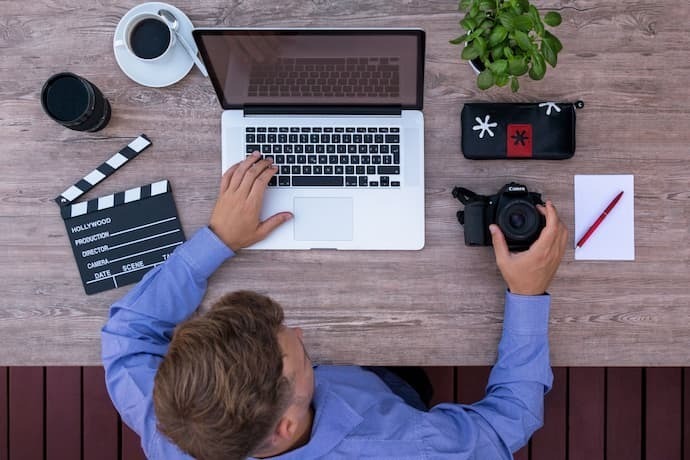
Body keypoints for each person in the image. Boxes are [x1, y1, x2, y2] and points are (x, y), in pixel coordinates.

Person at [102, 152, 568, 459]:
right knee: (406, 386)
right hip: (389, 401)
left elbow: (126, 336)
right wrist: (527, 295)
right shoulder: (401, 448)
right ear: (285, 426)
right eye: (298, 355)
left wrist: (218, 239)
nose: (304, 336)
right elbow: (509, 423)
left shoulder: (174, 423)